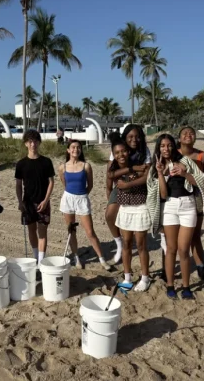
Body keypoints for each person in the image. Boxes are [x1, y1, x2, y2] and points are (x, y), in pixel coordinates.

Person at [147, 134, 204, 299]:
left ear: (174, 146)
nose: (166, 149)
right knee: (171, 249)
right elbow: (162, 194)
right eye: (162, 146)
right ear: (158, 148)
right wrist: (161, 173)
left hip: (188, 205)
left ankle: (186, 287)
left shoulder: (185, 161)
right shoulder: (156, 166)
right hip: (169, 206)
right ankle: (170, 285)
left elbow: (200, 181)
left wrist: (184, 173)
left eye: (169, 145)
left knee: (183, 249)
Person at [58, 140, 111, 270]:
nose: (75, 149)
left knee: (90, 231)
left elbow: (90, 185)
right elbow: (64, 184)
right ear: (68, 150)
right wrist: (72, 194)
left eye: (78, 147)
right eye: (73, 147)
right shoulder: (62, 167)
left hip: (82, 199)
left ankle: (102, 259)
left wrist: (82, 195)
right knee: (71, 230)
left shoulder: (86, 166)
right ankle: (76, 257)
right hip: (68, 199)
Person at [106, 124, 151, 265]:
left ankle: (162, 239)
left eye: (137, 136)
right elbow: (110, 174)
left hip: (140, 187)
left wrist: (132, 178)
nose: (134, 139)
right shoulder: (119, 148)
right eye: (130, 136)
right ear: (125, 137)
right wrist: (109, 193)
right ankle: (118, 243)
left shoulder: (144, 150)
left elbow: (147, 174)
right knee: (109, 215)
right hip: (120, 185)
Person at [109, 139, 151, 291]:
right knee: (126, 243)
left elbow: (147, 175)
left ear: (128, 152)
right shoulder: (114, 169)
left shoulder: (140, 163)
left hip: (140, 207)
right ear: (113, 155)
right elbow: (111, 175)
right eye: (117, 153)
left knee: (141, 244)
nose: (121, 155)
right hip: (125, 208)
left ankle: (145, 278)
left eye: (123, 151)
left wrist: (128, 183)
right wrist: (132, 170)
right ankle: (127, 277)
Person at [15, 129, 55, 266]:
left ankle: (41, 261)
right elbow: (18, 185)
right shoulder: (21, 164)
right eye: (30, 141)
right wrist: (20, 202)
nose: (33, 144)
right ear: (26, 143)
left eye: (36, 141)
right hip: (28, 203)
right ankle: (35, 256)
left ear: (39, 143)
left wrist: (46, 200)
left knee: (42, 232)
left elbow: (51, 182)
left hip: (43, 202)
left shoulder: (46, 162)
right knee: (31, 230)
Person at [177, 126, 204, 279]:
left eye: (191, 133)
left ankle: (200, 266)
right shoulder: (173, 154)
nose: (188, 135)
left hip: (197, 196)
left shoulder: (202, 156)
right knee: (174, 236)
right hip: (176, 196)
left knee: (195, 235)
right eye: (185, 133)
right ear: (179, 138)